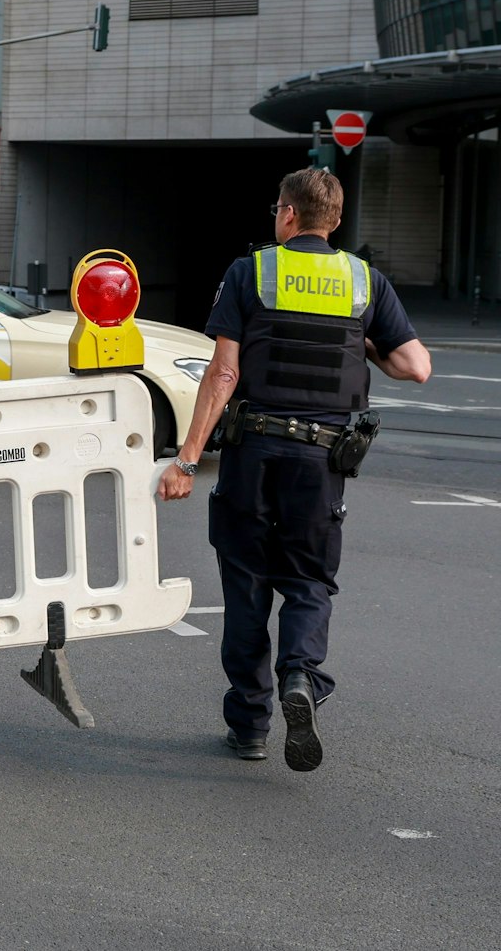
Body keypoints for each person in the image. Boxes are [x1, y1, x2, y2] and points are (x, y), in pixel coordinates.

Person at [158, 168, 430, 773]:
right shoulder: (364, 282)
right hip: (321, 461)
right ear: (334, 221)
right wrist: (361, 340)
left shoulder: (251, 271)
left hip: (254, 454)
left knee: (247, 588)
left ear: (287, 214)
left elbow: (223, 375)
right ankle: (301, 679)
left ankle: (250, 727)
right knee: (308, 583)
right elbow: (417, 368)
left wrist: (187, 460)